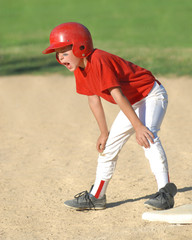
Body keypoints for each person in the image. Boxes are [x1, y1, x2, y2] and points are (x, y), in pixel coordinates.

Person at [42, 22, 177, 211]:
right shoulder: (80, 68)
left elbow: (118, 95)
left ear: (81, 47)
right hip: (133, 102)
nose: (60, 58)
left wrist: (138, 127)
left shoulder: (99, 60)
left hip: (150, 94)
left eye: (64, 53)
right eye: (58, 54)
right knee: (109, 147)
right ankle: (96, 196)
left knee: (148, 136)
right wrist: (104, 132)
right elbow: (93, 100)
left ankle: (165, 193)